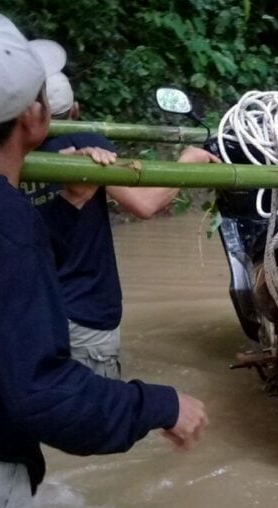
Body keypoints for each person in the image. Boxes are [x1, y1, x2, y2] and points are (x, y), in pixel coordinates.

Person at [0, 11, 207, 508]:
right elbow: (42, 393)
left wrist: (71, 202)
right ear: (33, 115)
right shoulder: (2, 220)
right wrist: (160, 404)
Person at [20, 39, 220, 379]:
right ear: (75, 112)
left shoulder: (3, 156)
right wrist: (187, 162)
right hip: (85, 313)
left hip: (28, 314)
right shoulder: (86, 147)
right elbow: (145, 203)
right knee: (95, 422)